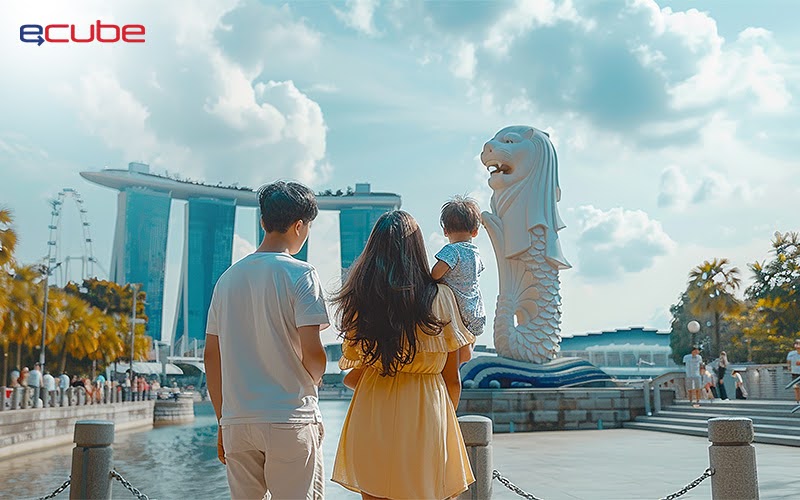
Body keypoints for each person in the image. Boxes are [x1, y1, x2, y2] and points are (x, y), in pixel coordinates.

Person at [331, 210, 476, 500]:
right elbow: (452, 379)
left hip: (371, 411)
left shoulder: (361, 301)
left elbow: (353, 371)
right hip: (426, 412)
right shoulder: (441, 298)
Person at [205, 181, 328, 500]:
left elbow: (211, 357)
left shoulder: (227, 280)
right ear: (300, 226)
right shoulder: (301, 275)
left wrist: (223, 419)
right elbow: (314, 355)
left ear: (263, 222)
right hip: (289, 417)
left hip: (238, 423)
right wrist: (313, 380)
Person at [430, 196, 486, 337]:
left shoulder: (452, 250)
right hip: (475, 311)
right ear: (475, 231)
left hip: (456, 310)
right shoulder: (476, 253)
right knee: (467, 350)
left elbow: (435, 274)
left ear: (445, 231)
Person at [787, 339, 800, 404]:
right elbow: (788, 362)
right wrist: (789, 367)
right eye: (797, 344)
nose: (798, 346)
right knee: (796, 387)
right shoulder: (791, 353)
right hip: (795, 373)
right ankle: (798, 401)